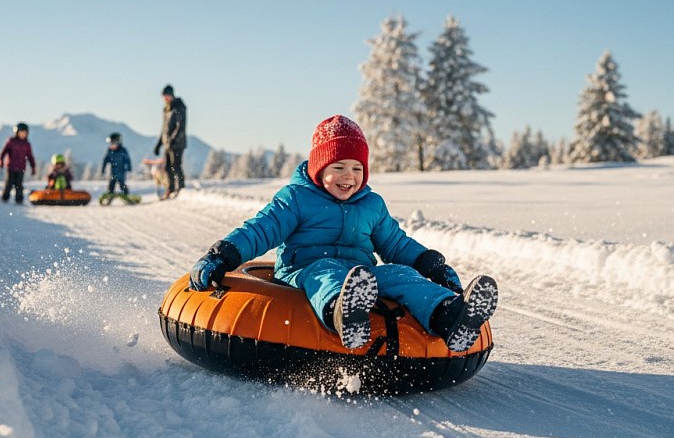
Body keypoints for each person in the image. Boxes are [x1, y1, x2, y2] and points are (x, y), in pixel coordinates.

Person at [188, 115, 498, 352]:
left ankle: (450, 316)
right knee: (326, 270)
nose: (348, 176)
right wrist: (221, 254)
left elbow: (395, 242)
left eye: (357, 169)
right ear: (319, 168)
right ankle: (343, 314)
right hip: (304, 270)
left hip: (359, 277)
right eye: (338, 166)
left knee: (401, 274)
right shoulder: (296, 198)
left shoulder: (372, 205)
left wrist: (432, 265)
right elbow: (261, 229)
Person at [153, 84, 187, 200]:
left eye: (167, 96)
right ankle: (171, 189)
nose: (165, 99)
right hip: (168, 143)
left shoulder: (179, 106)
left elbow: (180, 126)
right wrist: (159, 144)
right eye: (164, 97)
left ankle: (181, 189)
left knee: (176, 165)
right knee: (168, 167)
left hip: (178, 143)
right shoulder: (166, 109)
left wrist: (173, 139)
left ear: (171, 95)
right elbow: (164, 128)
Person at [0, 122, 36, 203]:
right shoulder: (11, 141)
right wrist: (1, 161)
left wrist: (33, 167)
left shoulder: (27, 144)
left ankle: (19, 200)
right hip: (11, 167)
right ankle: (5, 198)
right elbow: (3, 152)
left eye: (24, 133)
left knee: (19, 184)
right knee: (9, 183)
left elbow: (30, 156)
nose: (23, 134)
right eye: (21, 133)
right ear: (16, 132)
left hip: (21, 167)